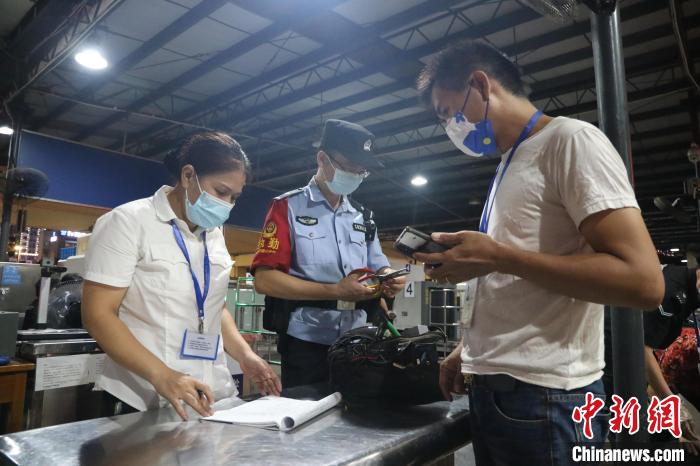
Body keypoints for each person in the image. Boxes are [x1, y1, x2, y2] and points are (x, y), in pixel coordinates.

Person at [414, 40, 664, 465]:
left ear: (480, 84)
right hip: (504, 394)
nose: (450, 128)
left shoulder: (570, 141)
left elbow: (643, 282)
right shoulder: (510, 163)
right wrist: (469, 351)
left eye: (448, 113)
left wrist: (497, 256)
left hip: (545, 399)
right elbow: (519, 283)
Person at [82, 132, 281, 421]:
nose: (227, 205)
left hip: (210, 395)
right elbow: (98, 314)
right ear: (188, 175)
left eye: (234, 197)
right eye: (221, 192)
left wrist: (244, 355)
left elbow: (215, 305)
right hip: (143, 398)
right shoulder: (128, 222)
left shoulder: (213, 234)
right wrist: (162, 375)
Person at [251, 119, 406, 389]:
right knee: (307, 421)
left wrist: (389, 276)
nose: (355, 175)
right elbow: (265, 280)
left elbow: (378, 264)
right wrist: (335, 290)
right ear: (323, 159)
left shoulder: (363, 216)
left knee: (359, 419)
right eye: (348, 167)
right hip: (306, 344)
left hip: (359, 341)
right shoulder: (288, 208)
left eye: (361, 171)